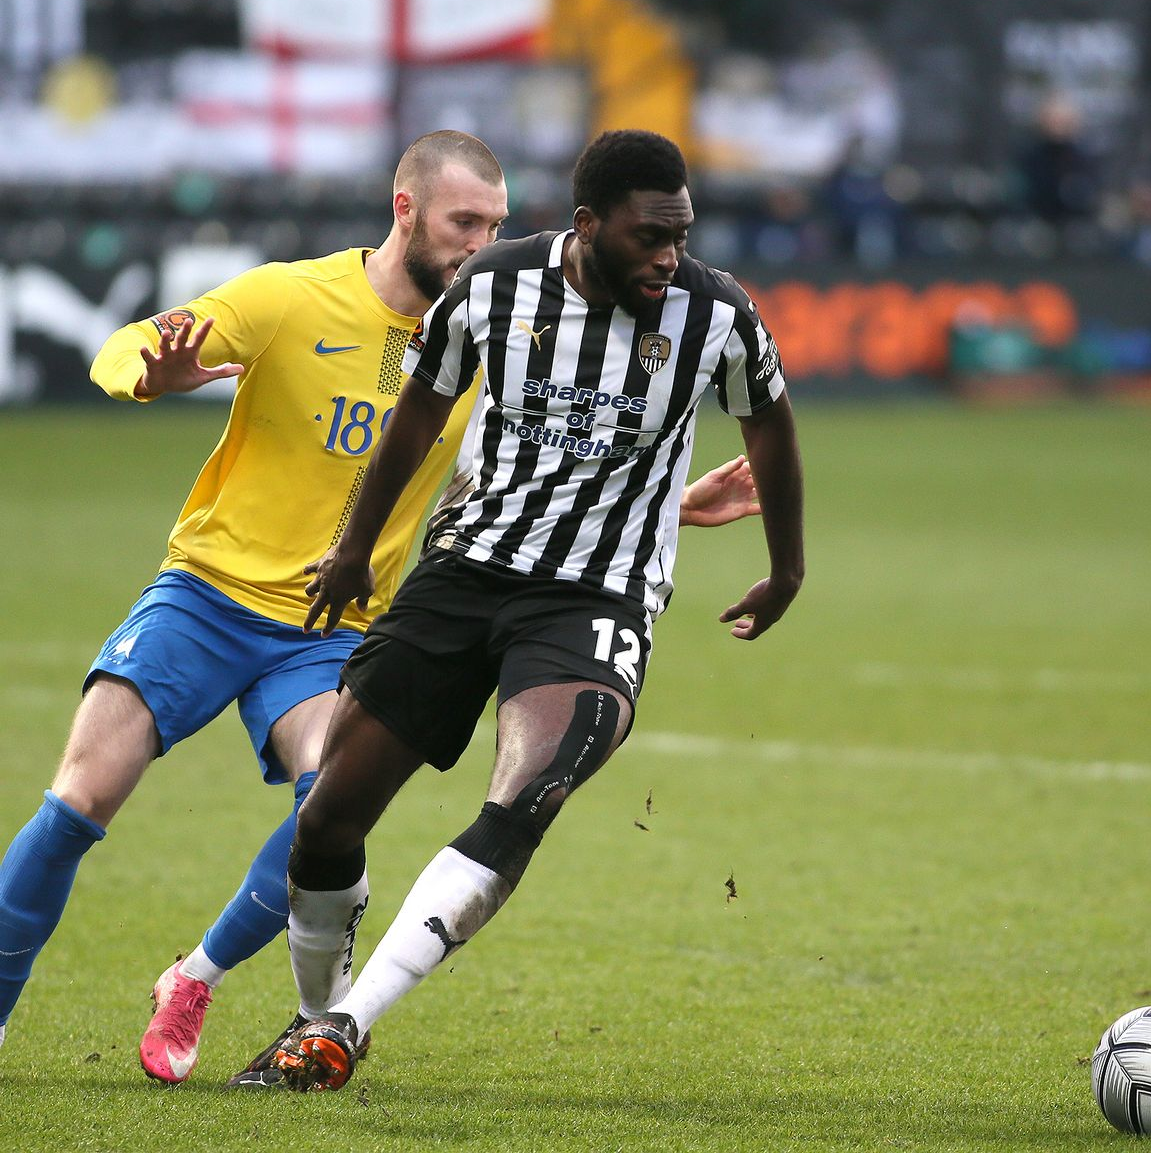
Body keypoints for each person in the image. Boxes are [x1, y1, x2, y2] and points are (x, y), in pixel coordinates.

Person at [0, 129, 760, 1085]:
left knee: (334, 807)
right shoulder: (290, 296)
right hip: (204, 595)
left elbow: (536, 486)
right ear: (406, 212)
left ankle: (196, 976)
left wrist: (678, 504)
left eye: (495, 223)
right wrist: (148, 374)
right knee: (80, 800)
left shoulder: (491, 341)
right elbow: (134, 343)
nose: (484, 242)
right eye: (464, 222)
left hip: (331, 629)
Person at [256, 128, 804, 1092]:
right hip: (466, 570)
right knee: (329, 821)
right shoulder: (497, 286)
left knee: (525, 795)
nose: (669, 256)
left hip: (600, 594)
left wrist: (787, 568)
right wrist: (353, 546)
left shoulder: (717, 315)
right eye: (648, 237)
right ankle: (312, 1019)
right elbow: (421, 409)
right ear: (587, 226)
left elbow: (771, 423)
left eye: (680, 234)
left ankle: (347, 1023)